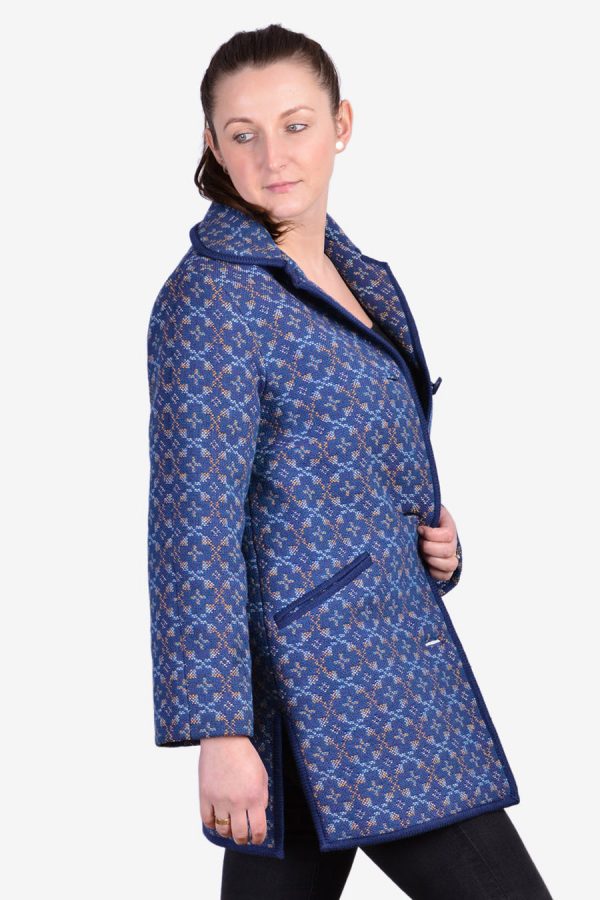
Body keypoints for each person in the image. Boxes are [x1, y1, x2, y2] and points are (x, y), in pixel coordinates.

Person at [146, 23, 553, 900]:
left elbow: (347, 465)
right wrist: (218, 729)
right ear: (212, 144)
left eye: (295, 125)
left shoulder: (357, 271)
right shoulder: (211, 299)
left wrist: (429, 544)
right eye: (244, 134)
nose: (273, 156)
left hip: (386, 658)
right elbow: (193, 527)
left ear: (341, 125)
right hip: (324, 688)